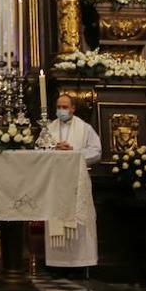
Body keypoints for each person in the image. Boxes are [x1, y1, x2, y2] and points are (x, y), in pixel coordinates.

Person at [43, 94, 100, 268]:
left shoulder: (85, 128)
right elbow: (39, 150)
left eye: (65, 107)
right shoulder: (48, 128)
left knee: (80, 219)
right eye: (59, 107)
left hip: (77, 182)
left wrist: (74, 153)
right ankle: (57, 263)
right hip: (56, 182)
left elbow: (96, 151)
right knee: (56, 217)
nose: (61, 110)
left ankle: (80, 262)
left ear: (73, 108)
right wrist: (54, 148)